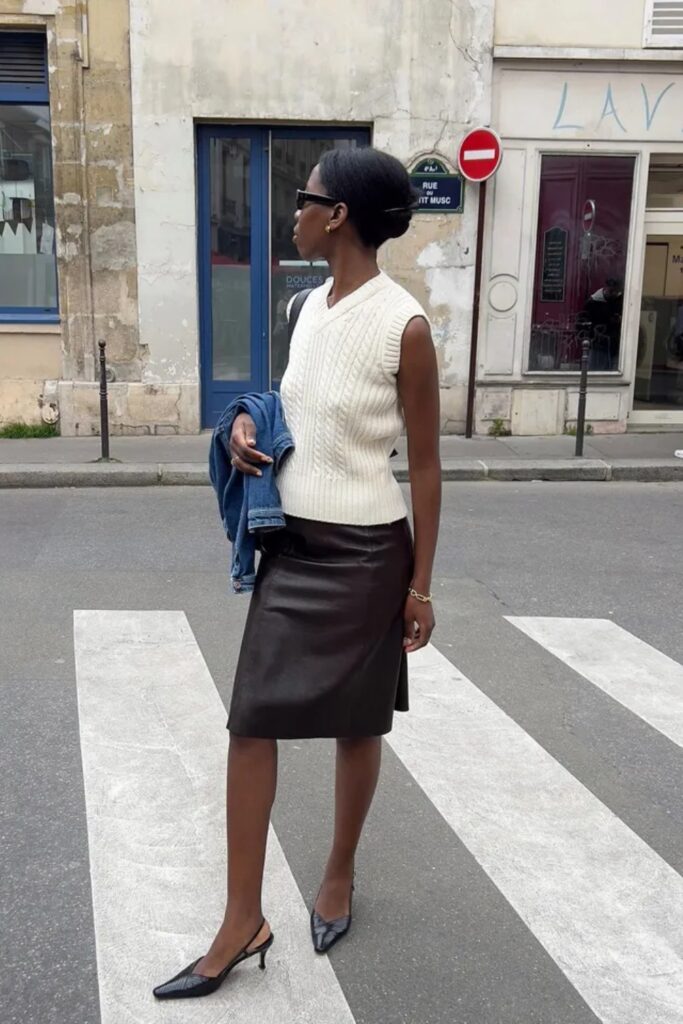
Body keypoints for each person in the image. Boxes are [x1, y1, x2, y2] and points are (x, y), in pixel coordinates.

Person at [154, 146, 442, 1000]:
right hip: (294, 548)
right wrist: (247, 430)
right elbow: (290, 406)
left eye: (303, 199)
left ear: (339, 216)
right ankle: (242, 917)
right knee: (252, 722)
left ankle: (338, 874)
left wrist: (420, 584)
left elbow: (423, 466)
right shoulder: (303, 306)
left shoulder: (406, 326)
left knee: (359, 724)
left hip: (365, 557)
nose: (292, 212)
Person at [582, 277, 623, 370]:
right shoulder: (593, 302)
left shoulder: (619, 301)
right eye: (611, 291)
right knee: (594, 368)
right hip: (598, 341)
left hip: (614, 341)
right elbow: (585, 320)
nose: (614, 294)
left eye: (616, 292)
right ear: (605, 288)